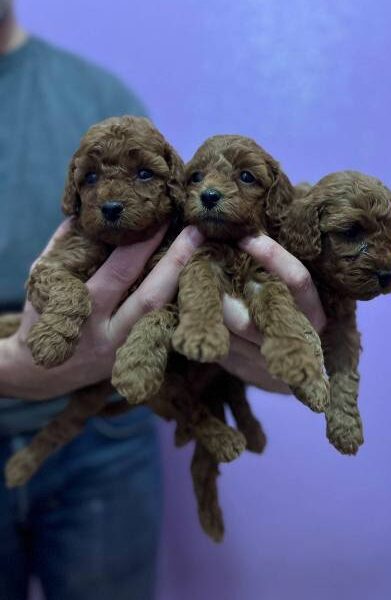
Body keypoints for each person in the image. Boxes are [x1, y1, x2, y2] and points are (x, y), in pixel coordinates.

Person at [0, 2, 326, 599]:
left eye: (144, 177)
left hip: (110, 445)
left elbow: (187, 272)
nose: (115, 194)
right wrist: (11, 369)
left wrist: (267, 350)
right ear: (76, 187)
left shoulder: (97, 92)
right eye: (94, 179)